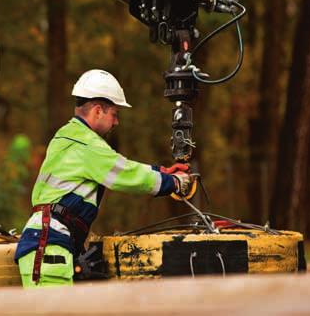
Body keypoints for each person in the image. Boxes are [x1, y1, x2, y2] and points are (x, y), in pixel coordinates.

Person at [14, 69, 191, 288]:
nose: (116, 122)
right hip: (49, 247)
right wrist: (173, 183)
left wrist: (161, 171)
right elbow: (125, 174)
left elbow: (117, 166)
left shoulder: (69, 137)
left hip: (46, 243)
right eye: (114, 114)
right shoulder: (86, 144)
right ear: (98, 111)